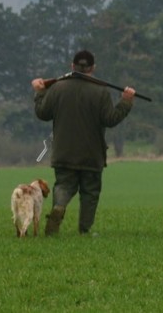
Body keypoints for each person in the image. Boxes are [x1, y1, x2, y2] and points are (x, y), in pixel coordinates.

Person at [31, 50, 136, 236]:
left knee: (63, 185)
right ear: (93, 68)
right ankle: (84, 230)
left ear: (72, 66)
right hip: (92, 154)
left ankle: (59, 206)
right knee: (90, 193)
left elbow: (43, 113)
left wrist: (40, 93)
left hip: (63, 152)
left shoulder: (57, 88)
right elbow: (110, 119)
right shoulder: (100, 91)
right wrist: (125, 102)